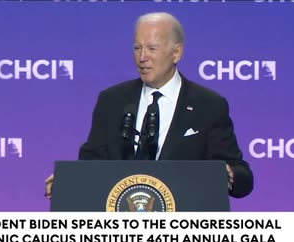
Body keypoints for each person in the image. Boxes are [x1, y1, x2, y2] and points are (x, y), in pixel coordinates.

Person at [45, 12, 253, 199]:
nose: (142, 57)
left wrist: (229, 175)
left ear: (177, 53)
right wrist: (71, 182)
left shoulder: (209, 105)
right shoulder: (112, 100)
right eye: (137, 48)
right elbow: (92, 163)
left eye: (152, 48)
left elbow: (242, 175)